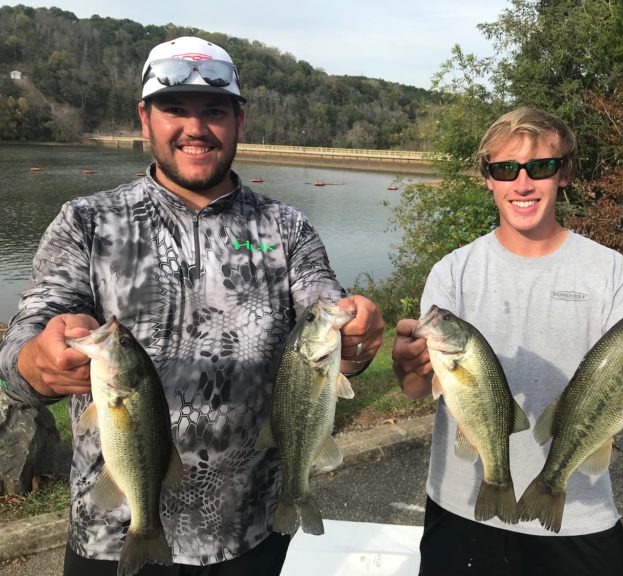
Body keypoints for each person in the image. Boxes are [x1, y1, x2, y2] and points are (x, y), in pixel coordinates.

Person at [0, 36, 385, 575]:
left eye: (214, 112)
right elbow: (25, 344)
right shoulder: (86, 223)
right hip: (114, 535)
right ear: (145, 118)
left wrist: (358, 338)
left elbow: (326, 310)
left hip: (251, 527)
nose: (195, 128)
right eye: (175, 109)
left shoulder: (286, 229)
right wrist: (34, 362)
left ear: (239, 121)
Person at [391, 106, 623, 575]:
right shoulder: (452, 272)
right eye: (504, 169)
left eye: (539, 167)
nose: (522, 183)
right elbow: (419, 388)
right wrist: (406, 368)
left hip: (580, 515)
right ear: (488, 180)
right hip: (462, 506)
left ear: (564, 174)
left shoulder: (611, 271)